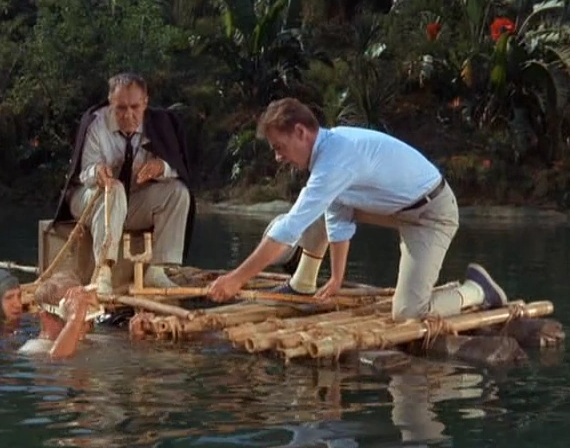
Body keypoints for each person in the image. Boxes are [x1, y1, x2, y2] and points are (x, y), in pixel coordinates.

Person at [208, 97, 508, 321]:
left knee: (409, 313)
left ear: (300, 132)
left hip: (431, 215)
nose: (277, 157)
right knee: (315, 206)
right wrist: (337, 278)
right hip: (399, 210)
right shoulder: (328, 155)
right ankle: (303, 284)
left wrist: (236, 279)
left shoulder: (336, 157)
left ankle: (477, 290)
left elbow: (289, 231)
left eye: (279, 147)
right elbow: (337, 215)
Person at [49, 72, 196, 295]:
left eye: (135, 107)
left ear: (145, 102)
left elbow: (179, 167)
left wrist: (161, 167)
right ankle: (103, 271)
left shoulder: (160, 125)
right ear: (111, 103)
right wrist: (98, 172)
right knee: (114, 188)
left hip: (133, 200)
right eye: (120, 108)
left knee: (178, 192)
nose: (128, 115)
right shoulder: (96, 124)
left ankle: (158, 270)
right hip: (91, 198)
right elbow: (83, 173)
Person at [18, 271, 99, 359]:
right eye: (70, 310)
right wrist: (74, 319)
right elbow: (58, 360)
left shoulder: (93, 341)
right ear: (45, 316)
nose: (84, 319)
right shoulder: (33, 350)